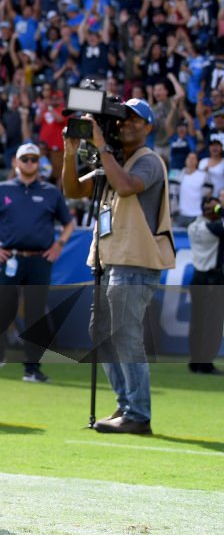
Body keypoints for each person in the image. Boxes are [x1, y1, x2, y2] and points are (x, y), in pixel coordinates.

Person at [62, 99, 174, 435]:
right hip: (110, 261)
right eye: (122, 118)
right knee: (101, 335)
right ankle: (126, 406)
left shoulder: (148, 161)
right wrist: (71, 152)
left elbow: (125, 187)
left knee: (125, 335)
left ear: (148, 128)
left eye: (135, 120)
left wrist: (101, 147)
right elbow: (73, 190)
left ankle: (138, 414)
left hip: (135, 262)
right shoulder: (112, 160)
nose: (125, 123)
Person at [0, 142, 75, 382]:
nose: (29, 163)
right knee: (0, 311)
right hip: (10, 257)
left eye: (33, 159)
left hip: (39, 259)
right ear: (15, 162)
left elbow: (68, 222)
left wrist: (59, 245)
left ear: (39, 163)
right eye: (25, 159)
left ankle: (32, 368)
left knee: (35, 314)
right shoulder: (1, 190)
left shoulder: (50, 192)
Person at [186, 198, 224, 375]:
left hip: (197, 277)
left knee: (197, 322)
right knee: (212, 325)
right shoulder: (214, 229)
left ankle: (195, 362)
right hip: (212, 279)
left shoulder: (192, 226)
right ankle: (205, 364)